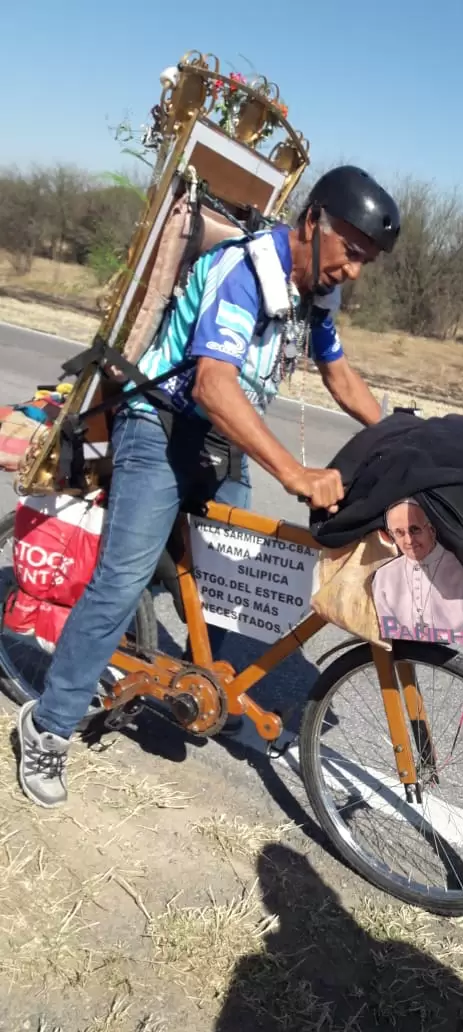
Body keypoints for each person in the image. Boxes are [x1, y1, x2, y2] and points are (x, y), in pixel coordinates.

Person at [17, 165, 401, 809]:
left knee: (232, 587)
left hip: (223, 442)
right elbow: (212, 385)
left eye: (368, 261)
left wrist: (397, 439)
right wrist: (294, 471)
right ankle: (49, 725)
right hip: (161, 428)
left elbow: (338, 373)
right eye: (351, 252)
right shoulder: (246, 271)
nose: (354, 271)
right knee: (120, 582)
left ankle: (204, 692)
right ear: (314, 222)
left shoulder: (316, 291)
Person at [372, 499, 463, 645]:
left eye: (415, 530)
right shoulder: (384, 576)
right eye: (399, 533)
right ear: (391, 535)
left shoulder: (461, 568)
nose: (408, 540)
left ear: (431, 530)